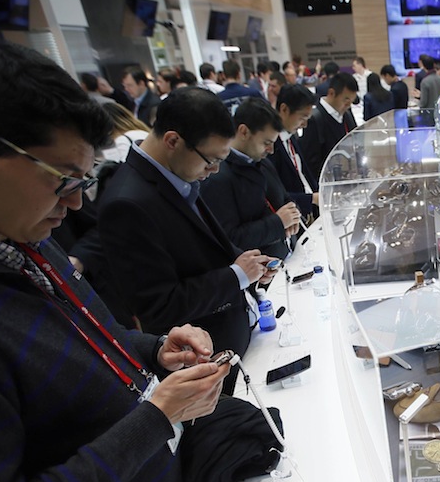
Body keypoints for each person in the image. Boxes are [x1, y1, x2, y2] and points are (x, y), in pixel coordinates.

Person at [0, 37, 229, 482]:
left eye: (82, 181)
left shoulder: (27, 239)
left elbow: (83, 335)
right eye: (62, 179)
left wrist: (155, 348)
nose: (76, 204)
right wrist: (156, 418)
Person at [98, 87, 278, 395]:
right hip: (206, 361)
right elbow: (160, 307)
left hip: (238, 338)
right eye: (209, 160)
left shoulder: (178, 174)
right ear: (173, 141)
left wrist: (249, 265)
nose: (214, 171)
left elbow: (206, 242)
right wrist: (236, 276)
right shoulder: (126, 203)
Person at [202, 98, 301, 260]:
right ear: (244, 132)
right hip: (260, 272)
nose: (271, 150)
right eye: (266, 142)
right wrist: (278, 222)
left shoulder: (262, 162)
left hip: (289, 254)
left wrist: (293, 214)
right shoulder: (217, 176)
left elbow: (284, 199)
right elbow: (230, 238)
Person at [269, 84, 319, 219]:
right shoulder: (270, 145)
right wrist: (310, 199)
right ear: (284, 109)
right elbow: (274, 194)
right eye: (302, 118)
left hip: (308, 212)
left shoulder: (291, 136)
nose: (304, 125)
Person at [300, 71, 359, 179]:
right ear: (331, 93)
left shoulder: (347, 115)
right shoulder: (315, 119)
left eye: (351, 101)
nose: (348, 105)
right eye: (346, 100)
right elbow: (311, 163)